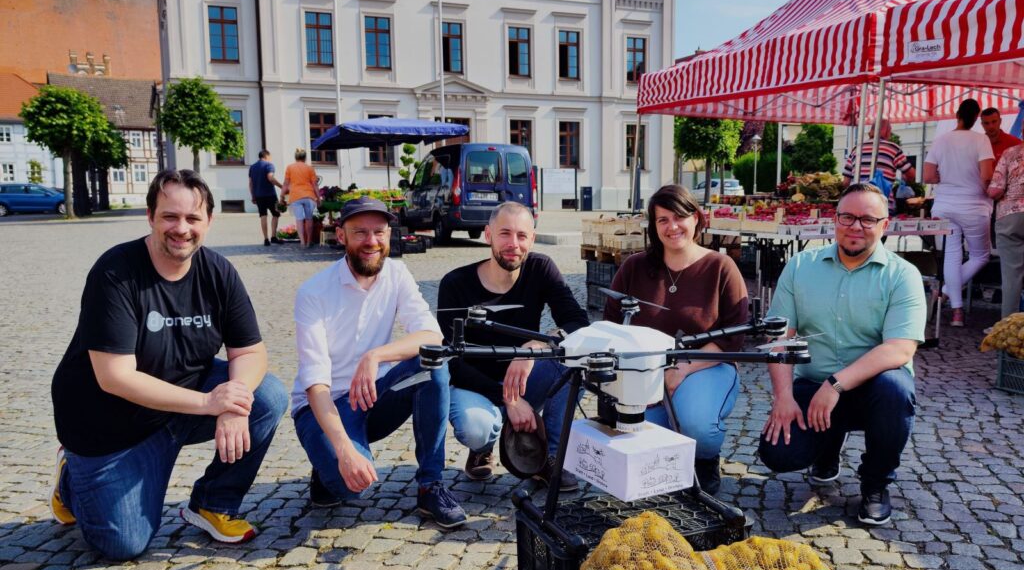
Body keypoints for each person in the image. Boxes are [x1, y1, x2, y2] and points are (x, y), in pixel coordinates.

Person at [49, 170, 289, 560]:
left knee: (267, 395)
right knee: (123, 544)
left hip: (183, 400)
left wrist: (234, 402)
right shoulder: (116, 273)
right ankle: (71, 481)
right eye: (170, 217)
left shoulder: (218, 271)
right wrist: (211, 404)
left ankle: (214, 503)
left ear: (209, 221)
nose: (182, 229)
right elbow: (115, 377)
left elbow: (250, 351)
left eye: (193, 218)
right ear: (150, 217)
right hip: (112, 425)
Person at [291, 195, 466, 529]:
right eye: (360, 233)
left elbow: (432, 335)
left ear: (389, 234)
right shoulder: (313, 292)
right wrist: (344, 451)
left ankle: (430, 484)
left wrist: (376, 356)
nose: (371, 241)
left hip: (373, 394)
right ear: (341, 235)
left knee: (433, 364)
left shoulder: (396, 274)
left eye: (379, 232)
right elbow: (315, 384)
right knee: (347, 487)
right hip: (323, 407)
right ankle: (326, 468)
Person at [759, 183, 926, 526]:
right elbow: (779, 337)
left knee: (896, 391)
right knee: (778, 454)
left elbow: (900, 347)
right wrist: (784, 397)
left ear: (885, 225)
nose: (855, 226)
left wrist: (834, 385)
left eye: (867, 219)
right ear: (834, 220)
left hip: (873, 389)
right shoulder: (801, 266)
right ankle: (828, 445)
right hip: (813, 382)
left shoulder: (902, 275)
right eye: (847, 216)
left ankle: (876, 484)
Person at [604, 184, 749, 495]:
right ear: (654, 227)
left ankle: (705, 459)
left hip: (707, 364)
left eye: (679, 217)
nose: (672, 227)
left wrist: (683, 369)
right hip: (644, 371)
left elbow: (735, 336)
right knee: (638, 435)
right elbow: (612, 325)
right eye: (662, 220)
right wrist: (634, 376)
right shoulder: (635, 267)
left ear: (696, 218)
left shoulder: (721, 267)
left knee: (694, 425)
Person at [437, 202, 589, 485]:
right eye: (504, 233)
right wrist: (509, 398)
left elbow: (577, 323)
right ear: (488, 235)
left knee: (576, 361)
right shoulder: (455, 284)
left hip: (526, 378)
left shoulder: (541, 268)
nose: (513, 244)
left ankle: (549, 456)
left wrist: (536, 346)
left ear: (532, 239)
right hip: (474, 383)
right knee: (477, 428)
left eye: (522, 235)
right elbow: (453, 362)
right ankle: (481, 450)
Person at [924, 99, 995, 327]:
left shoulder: (941, 140)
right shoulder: (981, 139)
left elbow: (928, 176)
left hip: (944, 205)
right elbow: (986, 175)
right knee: (980, 256)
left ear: (957, 115)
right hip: (974, 205)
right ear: (977, 118)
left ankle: (956, 311)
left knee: (952, 255)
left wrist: (945, 179)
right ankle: (945, 293)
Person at [842, 119, 914, 208]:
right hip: (881, 204)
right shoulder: (892, 148)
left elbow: (846, 182)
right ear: (886, 131)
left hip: (856, 202)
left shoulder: (856, 149)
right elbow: (911, 174)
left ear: (871, 130)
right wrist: (904, 180)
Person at [988, 143, 1024, 319]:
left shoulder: (1010, 153)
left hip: (1011, 217)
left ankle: (1008, 330)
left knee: (1012, 276)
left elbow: (995, 190)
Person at [282, 149, 321, 248]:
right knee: (309, 219)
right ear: (305, 158)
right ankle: (309, 241)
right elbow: (315, 185)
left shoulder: (290, 167)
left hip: (295, 196)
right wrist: (319, 198)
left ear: (295, 157)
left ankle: (302, 242)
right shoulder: (309, 168)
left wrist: (282, 195)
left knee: (299, 219)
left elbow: (286, 183)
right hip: (309, 196)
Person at [248, 149, 284, 246]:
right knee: (276, 214)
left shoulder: (253, 167)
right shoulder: (269, 165)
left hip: (258, 195)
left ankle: (266, 239)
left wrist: (253, 196)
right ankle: (273, 236)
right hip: (270, 195)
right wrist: (282, 186)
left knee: (263, 215)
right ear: (266, 156)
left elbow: (251, 183)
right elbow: (270, 177)